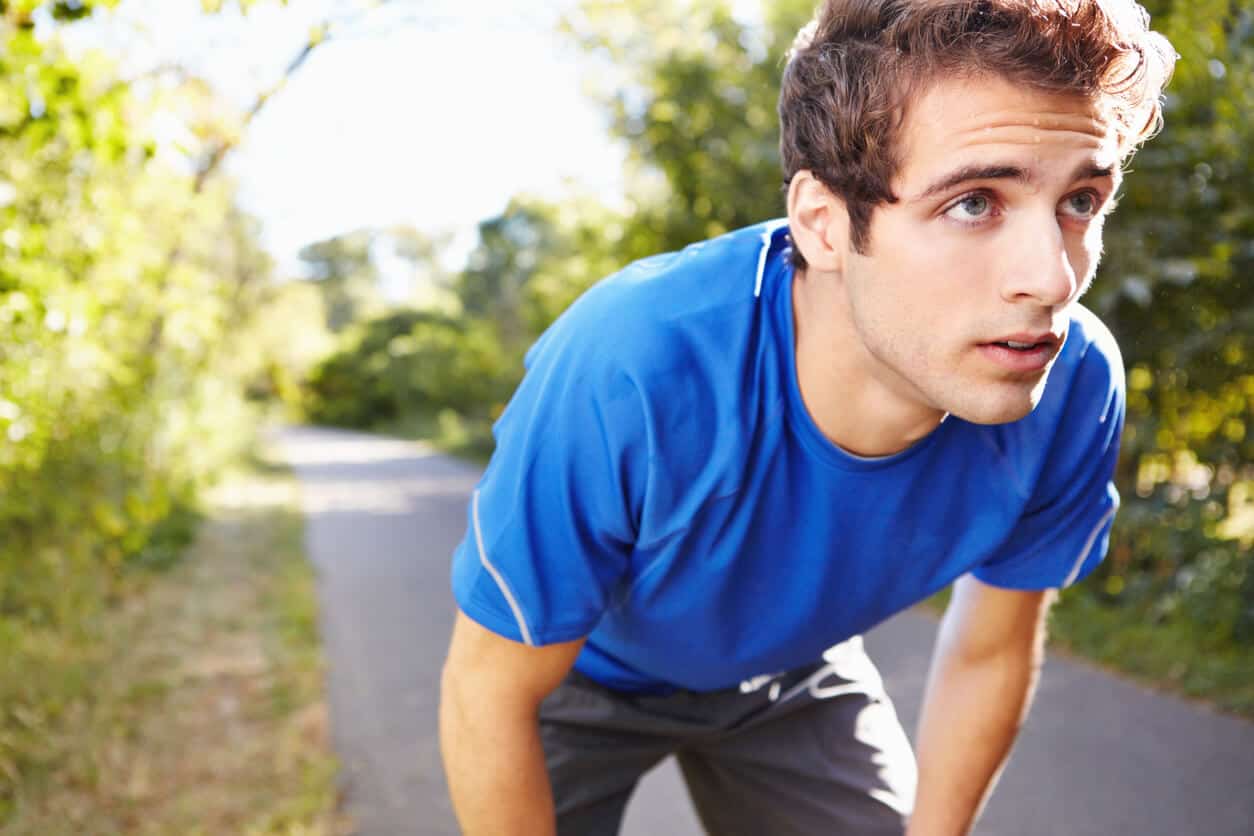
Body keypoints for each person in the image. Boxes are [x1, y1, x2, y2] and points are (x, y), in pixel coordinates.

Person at [439, 1, 1175, 833]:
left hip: (792, 677)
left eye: (1080, 200)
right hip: (577, 674)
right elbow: (489, 687)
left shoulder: (1070, 380)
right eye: (974, 202)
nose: (1052, 280)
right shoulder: (632, 365)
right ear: (824, 224)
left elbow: (991, 646)